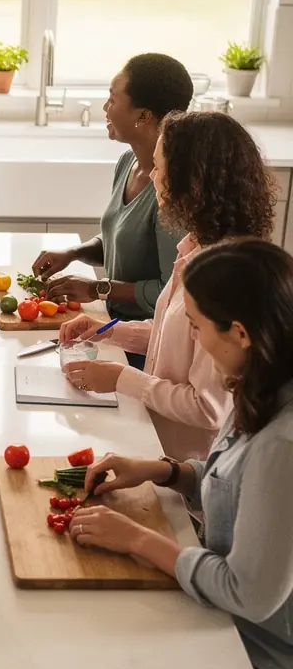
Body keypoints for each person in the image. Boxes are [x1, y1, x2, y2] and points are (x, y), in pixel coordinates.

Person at [70, 239, 293, 669]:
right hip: (230, 621)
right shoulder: (262, 381)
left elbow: (246, 593)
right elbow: (239, 485)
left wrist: (136, 538)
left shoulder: (282, 444)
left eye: (195, 325)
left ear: (239, 333)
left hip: (266, 665)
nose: (193, 337)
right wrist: (167, 471)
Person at [60, 111, 276, 460]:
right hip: (157, 444)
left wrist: (121, 378)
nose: (152, 177)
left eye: (159, 167)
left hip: (188, 461)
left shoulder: (223, 278)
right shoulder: (194, 246)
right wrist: (109, 331)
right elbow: (175, 338)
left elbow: (207, 408)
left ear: (192, 181)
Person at [32, 53, 193, 321]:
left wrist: (97, 288)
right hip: (115, 322)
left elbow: (172, 290)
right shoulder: (128, 162)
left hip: (149, 334)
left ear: (143, 116)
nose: (105, 107)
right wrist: (73, 253)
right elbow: (124, 242)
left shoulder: (173, 189)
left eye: (113, 99)